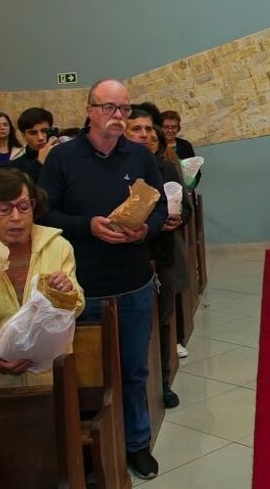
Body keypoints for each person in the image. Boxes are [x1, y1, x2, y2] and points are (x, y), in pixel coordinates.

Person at [38, 79, 168, 479]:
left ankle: (136, 444)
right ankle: (85, 453)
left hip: (132, 280)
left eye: (125, 110)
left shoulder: (140, 156)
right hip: (83, 285)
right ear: (90, 109)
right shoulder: (63, 159)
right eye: (110, 108)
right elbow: (44, 215)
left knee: (133, 370)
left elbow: (161, 207)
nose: (119, 117)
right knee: (85, 374)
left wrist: (145, 231)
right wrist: (87, 226)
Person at [0, 169, 84, 389]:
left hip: (51, 379)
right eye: (4, 208)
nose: (16, 217)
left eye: (23, 206)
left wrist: (67, 294)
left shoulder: (58, 246)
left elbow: (77, 306)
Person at [123, 111, 187, 409]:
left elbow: (183, 206)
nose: (145, 135)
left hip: (161, 254)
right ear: (124, 133)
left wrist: (179, 218)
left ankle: (162, 380)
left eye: (149, 129)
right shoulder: (118, 169)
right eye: (137, 129)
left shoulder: (165, 167)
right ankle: (134, 386)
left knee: (161, 321)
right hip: (129, 257)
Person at [7, 107, 58, 183]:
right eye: (33, 133)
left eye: (44, 131)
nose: (40, 137)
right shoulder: (13, 168)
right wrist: (39, 163)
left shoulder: (64, 159)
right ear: (24, 136)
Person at [161, 110, 199, 188]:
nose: (170, 130)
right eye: (166, 127)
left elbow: (196, 171)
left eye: (174, 127)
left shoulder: (185, 145)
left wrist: (189, 188)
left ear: (178, 128)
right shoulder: (155, 147)